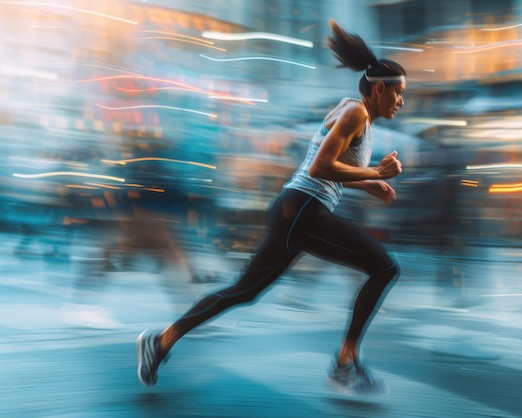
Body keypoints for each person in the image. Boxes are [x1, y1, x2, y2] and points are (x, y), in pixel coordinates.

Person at [136, 19, 406, 396]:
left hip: (295, 208)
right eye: (399, 93)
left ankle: (162, 341)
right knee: (384, 267)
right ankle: (345, 363)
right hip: (305, 209)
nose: (401, 101)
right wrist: (375, 170)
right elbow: (319, 168)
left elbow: (327, 164)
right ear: (379, 89)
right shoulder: (357, 113)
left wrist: (369, 183)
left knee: (244, 291)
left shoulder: (351, 109)